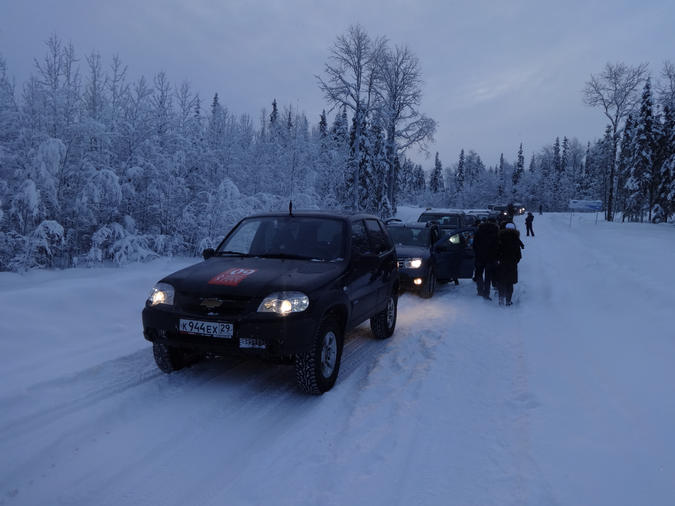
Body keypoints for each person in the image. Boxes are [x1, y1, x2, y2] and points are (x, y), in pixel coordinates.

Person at [472, 217, 499, 300]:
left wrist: (477, 252)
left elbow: (474, 245)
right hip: (491, 258)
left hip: (480, 257)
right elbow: (498, 245)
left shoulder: (478, 232)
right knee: (488, 276)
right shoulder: (496, 232)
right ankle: (486, 293)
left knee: (479, 274)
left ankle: (480, 291)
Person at [497, 222, 522, 306]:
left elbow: (496, 251)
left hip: (501, 263)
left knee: (501, 281)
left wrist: (499, 259)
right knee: (510, 283)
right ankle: (508, 300)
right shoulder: (516, 239)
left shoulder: (500, 238)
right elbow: (519, 255)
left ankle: (501, 298)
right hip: (512, 264)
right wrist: (515, 261)